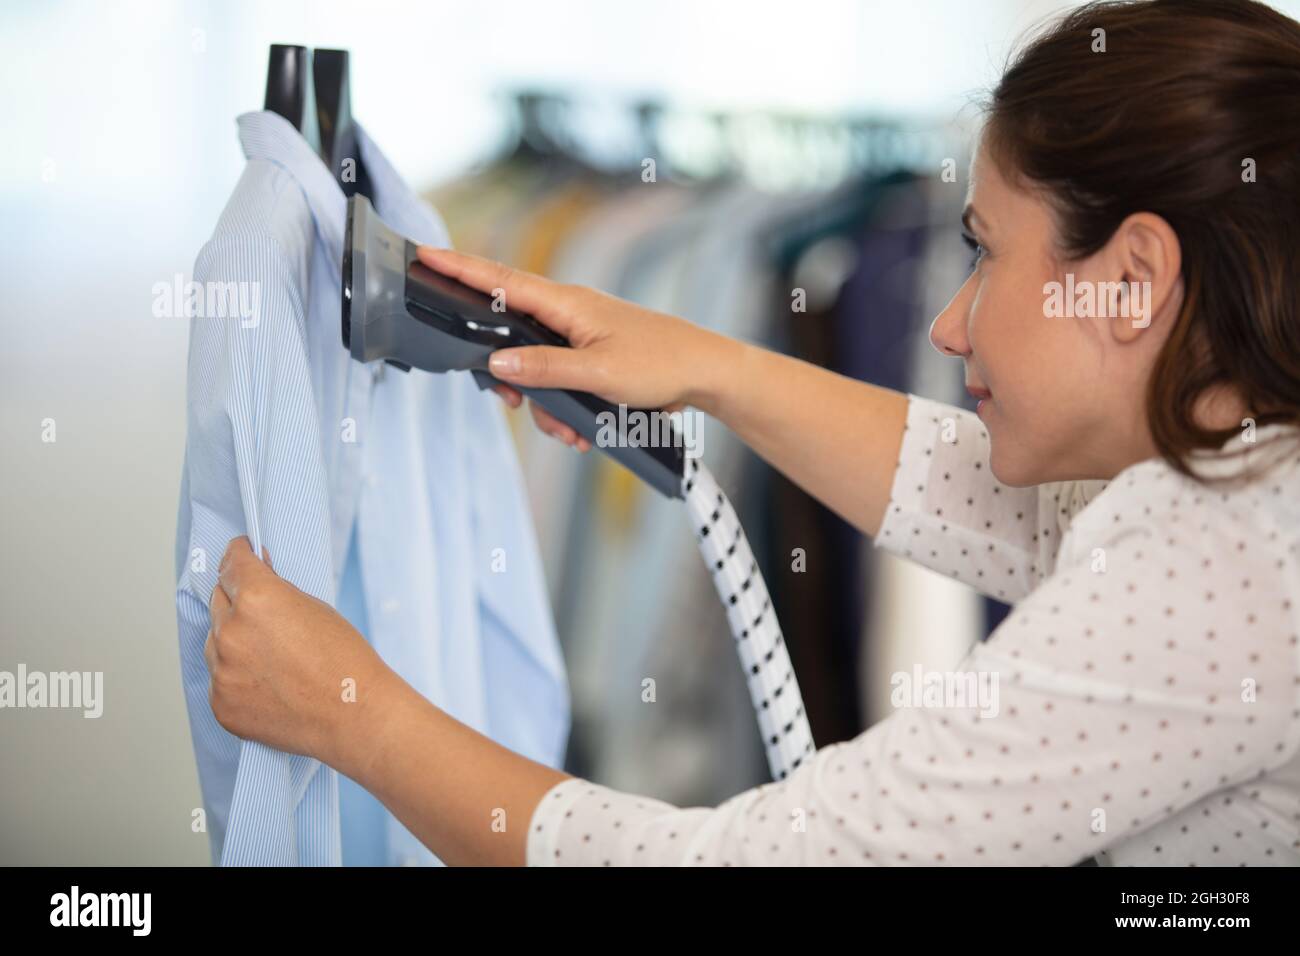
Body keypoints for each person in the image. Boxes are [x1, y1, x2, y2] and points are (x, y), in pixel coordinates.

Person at [203, 0, 1300, 866]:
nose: (947, 323)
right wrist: (708, 366)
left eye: (985, 251)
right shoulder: (1246, 481)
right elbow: (1004, 505)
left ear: (1132, 279)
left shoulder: (1221, 559)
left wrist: (354, 716)